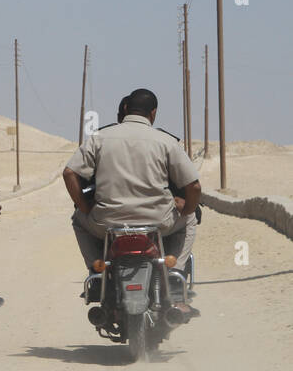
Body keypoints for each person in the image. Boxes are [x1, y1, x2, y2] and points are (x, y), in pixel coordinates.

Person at [62, 88, 200, 311]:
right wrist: (186, 209)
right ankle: (175, 275)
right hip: (157, 224)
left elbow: (69, 173)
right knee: (190, 219)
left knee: (78, 220)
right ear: (153, 113)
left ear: (126, 109)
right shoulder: (166, 141)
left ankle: (97, 272)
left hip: (108, 225)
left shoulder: (99, 138)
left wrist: (85, 207)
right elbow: (193, 185)